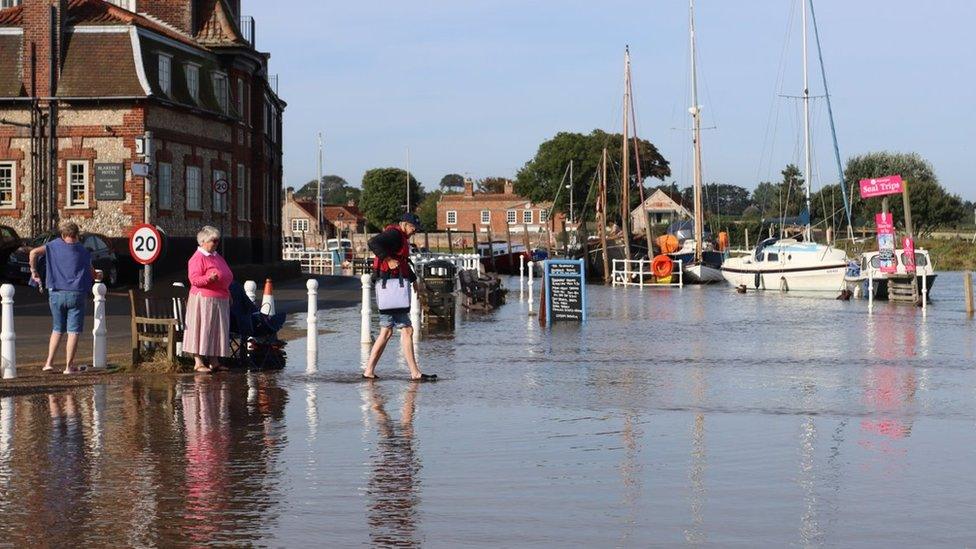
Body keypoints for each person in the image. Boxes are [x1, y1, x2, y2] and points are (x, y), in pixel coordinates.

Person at [362, 213, 436, 381]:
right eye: (412, 228)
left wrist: (414, 280)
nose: (413, 232)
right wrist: (387, 259)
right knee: (406, 330)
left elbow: (402, 261)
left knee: (387, 332)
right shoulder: (395, 235)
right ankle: (415, 373)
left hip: (392, 288)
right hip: (391, 288)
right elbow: (373, 243)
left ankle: (369, 371)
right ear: (403, 224)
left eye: (415, 230)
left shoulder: (400, 237)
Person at [29, 221, 97, 374]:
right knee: (73, 331)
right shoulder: (83, 251)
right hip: (76, 293)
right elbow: (92, 273)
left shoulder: (53, 246)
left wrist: (34, 272)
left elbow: (33, 253)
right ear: (77, 235)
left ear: (62, 235)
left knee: (57, 329)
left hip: (56, 292)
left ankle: (48, 363)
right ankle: (68, 367)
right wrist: (99, 275)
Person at [183, 226, 234, 373]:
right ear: (203, 241)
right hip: (204, 299)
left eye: (218, 240)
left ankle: (214, 361)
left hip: (220, 298)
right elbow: (194, 280)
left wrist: (228, 292)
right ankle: (198, 362)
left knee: (216, 330)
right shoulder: (197, 258)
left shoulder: (216, 256)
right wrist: (208, 278)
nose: (216, 243)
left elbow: (226, 276)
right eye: (214, 240)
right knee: (202, 328)